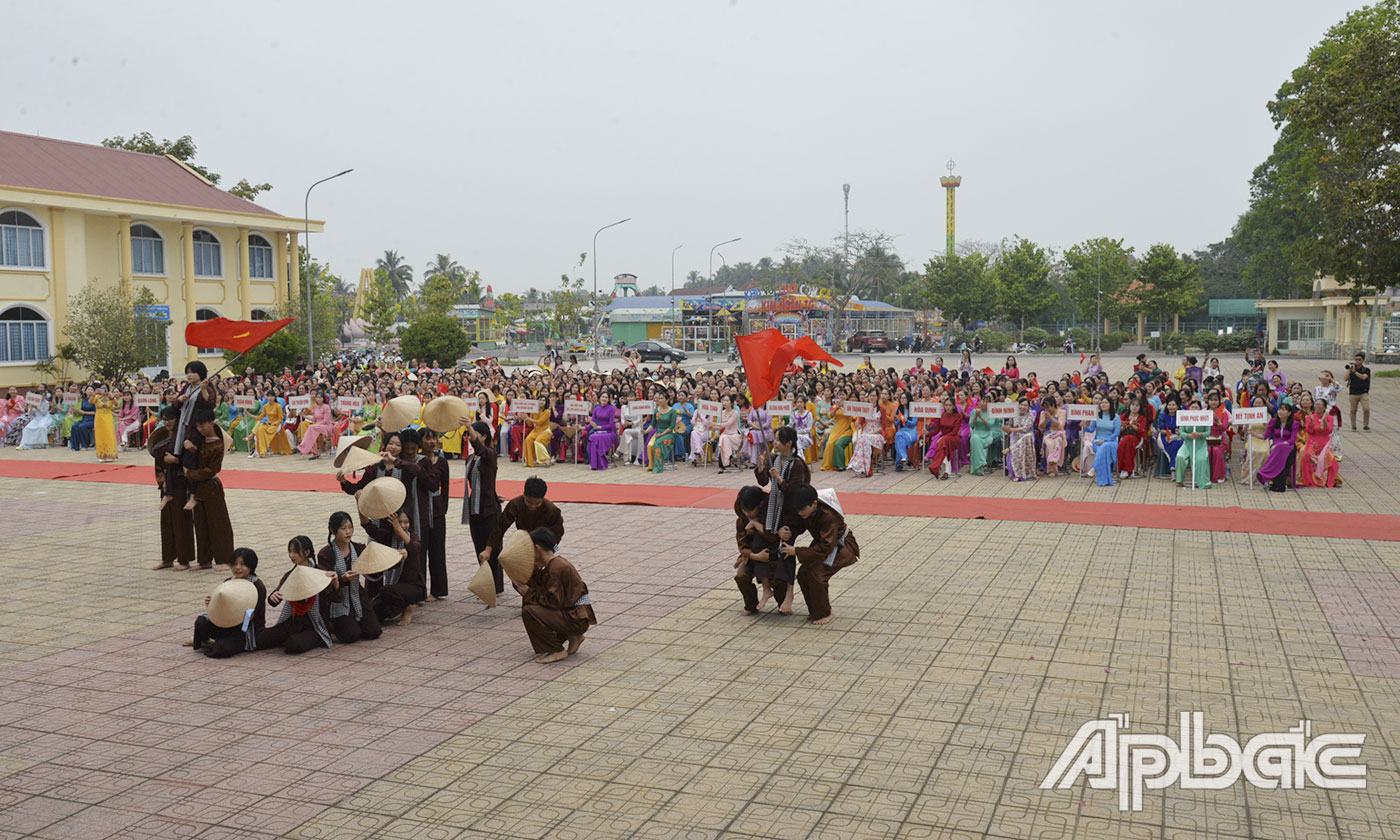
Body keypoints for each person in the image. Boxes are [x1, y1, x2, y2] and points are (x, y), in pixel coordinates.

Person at [781, 484, 859, 626]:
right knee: (803, 573)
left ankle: (824, 613)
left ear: (814, 504)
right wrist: (787, 530)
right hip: (823, 545)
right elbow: (798, 524)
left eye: (802, 510)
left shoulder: (828, 516)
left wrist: (797, 551)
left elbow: (825, 547)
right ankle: (815, 610)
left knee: (817, 574)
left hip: (840, 547)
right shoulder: (806, 510)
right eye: (797, 510)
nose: (800, 513)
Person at [516, 527, 595, 664]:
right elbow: (539, 584)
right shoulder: (553, 564)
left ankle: (556, 650)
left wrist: (528, 593)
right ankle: (574, 637)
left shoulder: (556, 568)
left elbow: (553, 601)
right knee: (533, 603)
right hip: (576, 616)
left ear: (537, 549)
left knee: (529, 611)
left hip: (575, 619)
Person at [258, 536, 336, 654]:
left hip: (315, 624)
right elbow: (275, 598)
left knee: (293, 645)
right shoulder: (290, 575)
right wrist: (272, 597)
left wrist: (335, 584)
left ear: (307, 552)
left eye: (295, 552)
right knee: (261, 640)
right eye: (290, 551)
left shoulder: (320, 572)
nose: (291, 555)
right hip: (294, 622)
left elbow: (335, 598)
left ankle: (317, 638)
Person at [317, 511, 383, 644]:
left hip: (357, 595)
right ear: (333, 530)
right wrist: (342, 579)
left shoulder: (358, 548)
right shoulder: (326, 554)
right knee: (351, 636)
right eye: (343, 528)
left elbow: (377, 562)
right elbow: (324, 585)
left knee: (373, 632)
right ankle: (332, 622)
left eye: (350, 527)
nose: (348, 532)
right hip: (337, 599)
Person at [188, 547, 266, 658]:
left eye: (242, 564)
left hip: (244, 630)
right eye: (234, 564)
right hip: (225, 624)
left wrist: (247, 616)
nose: (238, 568)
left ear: (251, 566)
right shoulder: (229, 582)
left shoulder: (257, 586)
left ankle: (216, 643)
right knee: (201, 621)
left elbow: (256, 615)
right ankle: (205, 641)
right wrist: (212, 604)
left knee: (221, 648)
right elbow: (221, 609)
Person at [481, 476, 565, 574]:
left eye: (537, 504)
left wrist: (549, 554)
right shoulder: (516, 504)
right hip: (525, 542)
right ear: (524, 494)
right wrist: (488, 549)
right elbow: (500, 527)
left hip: (544, 546)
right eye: (529, 502)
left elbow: (558, 534)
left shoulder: (552, 510)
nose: (533, 506)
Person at [185, 409, 235, 569]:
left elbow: (212, 470)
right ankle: (204, 560)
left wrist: (191, 474)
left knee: (219, 524)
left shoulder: (218, 444)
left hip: (211, 487)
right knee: (201, 524)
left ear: (212, 423)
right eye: (198, 426)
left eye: (203, 425)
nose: (200, 429)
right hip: (198, 487)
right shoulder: (199, 441)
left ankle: (225, 559)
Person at [150, 405, 196, 571]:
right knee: (167, 523)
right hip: (166, 486)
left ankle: (184, 560)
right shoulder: (162, 443)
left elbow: (192, 462)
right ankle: (167, 558)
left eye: (171, 419)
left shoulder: (184, 442)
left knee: (181, 522)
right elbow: (158, 465)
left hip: (181, 485)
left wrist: (176, 461)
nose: (167, 422)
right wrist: (161, 480)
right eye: (164, 419)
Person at [461, 420, 504, 594]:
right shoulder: (470, 459)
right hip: (474, 508)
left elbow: (481, 450)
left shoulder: (490, 454)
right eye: (468, 434)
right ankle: (485, 583)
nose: (470, 438)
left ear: (484, 436)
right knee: (479, 547)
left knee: (492, 548)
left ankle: (495, 586)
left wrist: (469, 429)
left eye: (474, 434)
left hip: (488, 508)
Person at [362, 508, 424, 626]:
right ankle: (393, 610)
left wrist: (397, 527)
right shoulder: (388, 537)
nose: (403, 525)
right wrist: (359, 503)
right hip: (392, 591)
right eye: (399, 522)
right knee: (369, 616)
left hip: (413, 589)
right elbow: (368, 526)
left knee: (386, 590)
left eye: (406, 522)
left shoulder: (414, 538)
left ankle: (408, 608)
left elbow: (413, 548)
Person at [418, 427, 451, 600]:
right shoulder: (416, 460)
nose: (431, 441)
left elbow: (445, 487)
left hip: (437, 509)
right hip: (421, 509)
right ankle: (420, 590)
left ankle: (438, 590)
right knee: (420, 551)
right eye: (427, 438)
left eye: (434, 438)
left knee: (438, 551)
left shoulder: (442, 462)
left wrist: (443, 507)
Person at [1257, 403, 1299, 492]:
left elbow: (1292, 440)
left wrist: (1280, 445)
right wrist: (1253, 434)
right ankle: (1270, 478)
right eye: (1279, 409)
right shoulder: (1273, 421)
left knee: (1281, 449)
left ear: (1289, 413)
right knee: (1278, 451)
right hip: (1276, 447)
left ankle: (1265, 473)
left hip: (1288, 446)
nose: (1280, 412)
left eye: (1284, 410)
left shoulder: (1294, 424)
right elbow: (1265, 436)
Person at [1299, 399, 1340, 488]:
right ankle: (1310, 480)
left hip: (1325, 443)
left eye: (1320, 405)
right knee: (1307, 455)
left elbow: (1328, 431)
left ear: (1324, 407)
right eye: (1316, 405)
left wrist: (1325, 422)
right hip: (1312, 442)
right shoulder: (1309, 417)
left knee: (1328, 456)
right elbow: (1310, 431)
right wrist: (1312, 421)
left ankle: (1326, 480)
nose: (1317, 407)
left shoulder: (1330, 418)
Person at [1006, 397, 1036, 481]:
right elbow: (1009, 426)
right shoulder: (1013, 415)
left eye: (1025, 405)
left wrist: (1011, 430)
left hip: (1026, 438)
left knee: (1024, 440)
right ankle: (1016, 474)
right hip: (1015, 437)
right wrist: (1006, 429)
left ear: (1028, 407)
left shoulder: (1030, 416)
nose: (1023, 407)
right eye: (1021, 405)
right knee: (1015, 450)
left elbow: (1025, 429)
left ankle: (1025, 473)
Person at [1344, 353, 1371, 431]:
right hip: (1353, 392)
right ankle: (1353, 426)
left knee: (1366, 408)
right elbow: (1345, 379)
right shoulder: (1352, 369)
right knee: (1353, 410)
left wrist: (1355, 372)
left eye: (1359, 360)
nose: (1357, 361)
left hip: (1363, 392)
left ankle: (1365, 425)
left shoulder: (1366, 370)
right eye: (1356, 360)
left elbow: (1363, 377)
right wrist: (1349, 370)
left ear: (1363, 360)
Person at [93, 386, 119, 463]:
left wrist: (111, 397)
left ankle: (111, 454)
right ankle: (101, 455)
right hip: (99, 418)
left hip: (108, 418)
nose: (103, 390)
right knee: (100, 436)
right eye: (102, 388)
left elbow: (116, 404)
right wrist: (94, 393)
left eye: (105, 388)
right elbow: (90, 402)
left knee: (109, 435)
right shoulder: (97, 397)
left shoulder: (110, 396)